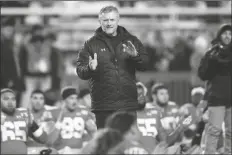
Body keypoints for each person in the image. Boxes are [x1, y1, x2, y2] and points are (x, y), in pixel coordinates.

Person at [76, 6, 148, 129]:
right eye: (105, 20)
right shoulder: (90, 44)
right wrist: (90, 68)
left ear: (118, 20)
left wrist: (135, 56)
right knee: (105, 144)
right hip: (103, 106)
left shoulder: (132, 40)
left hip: (127, 104)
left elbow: (145, 65)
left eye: (112, 20)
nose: (109, 23)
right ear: (100, 21)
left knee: (127, 143)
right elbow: (80, 71)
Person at [198, 24, 231, 154]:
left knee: (231, 132)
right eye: (225, 33)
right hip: (216, 98)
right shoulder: (211, 53)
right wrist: (212, 60)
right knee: (214, 131)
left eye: (230, 33)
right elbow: (202, 75)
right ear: (219, 35)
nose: (228, 36)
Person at [47, 87, 97, 154]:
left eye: (76, 98)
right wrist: (59, 121)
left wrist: (93, 129)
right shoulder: (54, 113)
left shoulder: (84, 112)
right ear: (64, 100)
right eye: (71, 98)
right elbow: (49, 141)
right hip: (61, 151)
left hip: (79, 151)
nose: (74, 101)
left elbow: (94, 134)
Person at [1, 88, 48, 154]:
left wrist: (33, 126)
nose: (10, 102)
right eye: (6, 99)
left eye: (13, 99)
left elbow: (43, 139)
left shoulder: (24, 114)